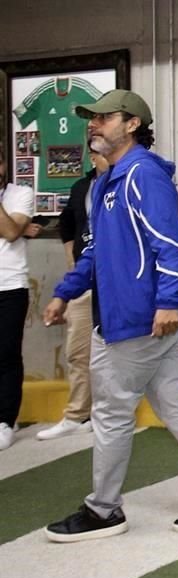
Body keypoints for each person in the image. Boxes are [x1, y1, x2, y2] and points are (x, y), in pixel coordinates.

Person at [42, 89, 178, 542]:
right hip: (127, 317)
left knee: (112, 413)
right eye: (90, 119)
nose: (93, 125)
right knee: (176, 404)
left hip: (137, 320)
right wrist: (65, 292)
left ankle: (103, 510)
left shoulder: (143, 175)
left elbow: (170, 243)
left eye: (104, 118)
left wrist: (171, 302)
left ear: (132, 124)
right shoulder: (103, 183)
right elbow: (94, 251)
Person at [36, 148, 109, 440]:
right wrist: (72, 261)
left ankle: (106, 413)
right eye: (99, 152)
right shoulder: (82, 188)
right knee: (78, 352)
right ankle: (78, 415)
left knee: (115, 354)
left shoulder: (131, 182)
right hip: (84, 280)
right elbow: (66, 224)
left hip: (115, 283)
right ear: (92, 157)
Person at [0, 148, 36, 451]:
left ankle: (5, 420)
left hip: (10, 286)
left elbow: (11, 232)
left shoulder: (21, 193)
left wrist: (21, 227)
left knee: (7, 354)